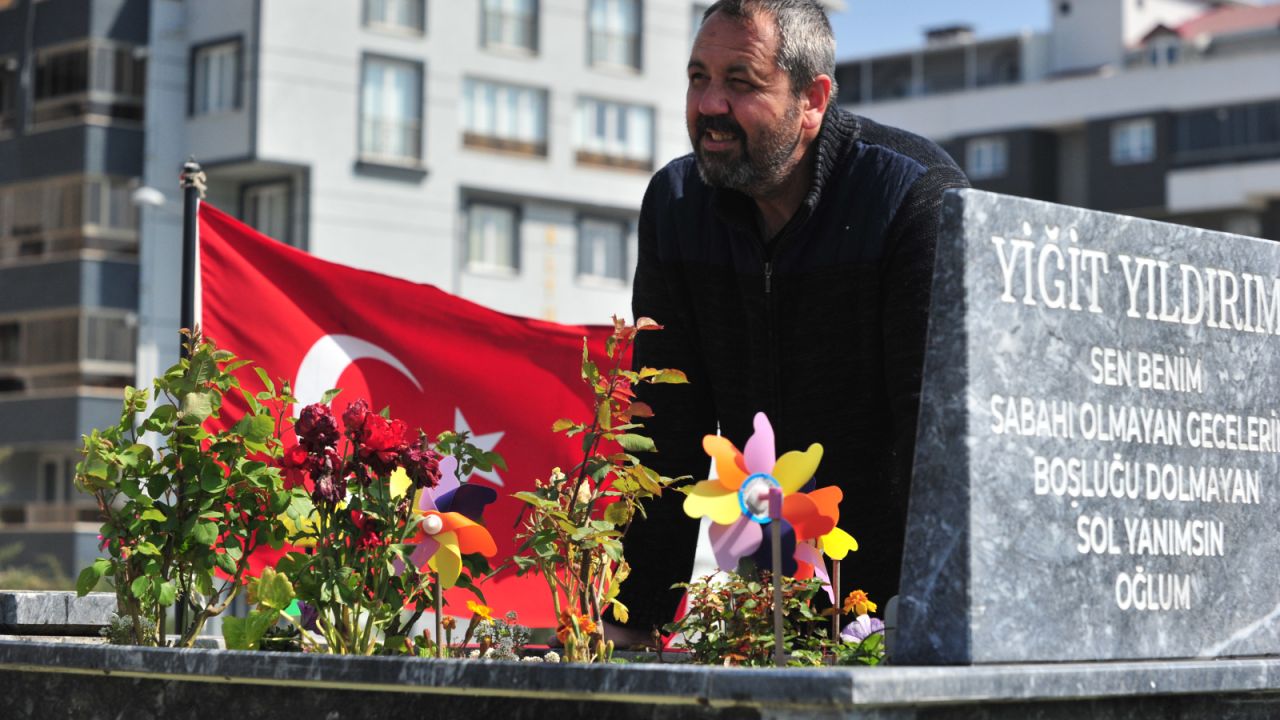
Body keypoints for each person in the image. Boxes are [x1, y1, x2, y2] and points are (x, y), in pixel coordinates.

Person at [614, 0, 970, 641]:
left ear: (813, 99)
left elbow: (939, 446)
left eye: (740, 83)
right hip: (771, 609)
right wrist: (631, 631)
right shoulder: (675, 205)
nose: (709, 105)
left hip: (900, 618)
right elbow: (665, 434)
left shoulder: (913, 198)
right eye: (699, 78)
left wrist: (933, 630)